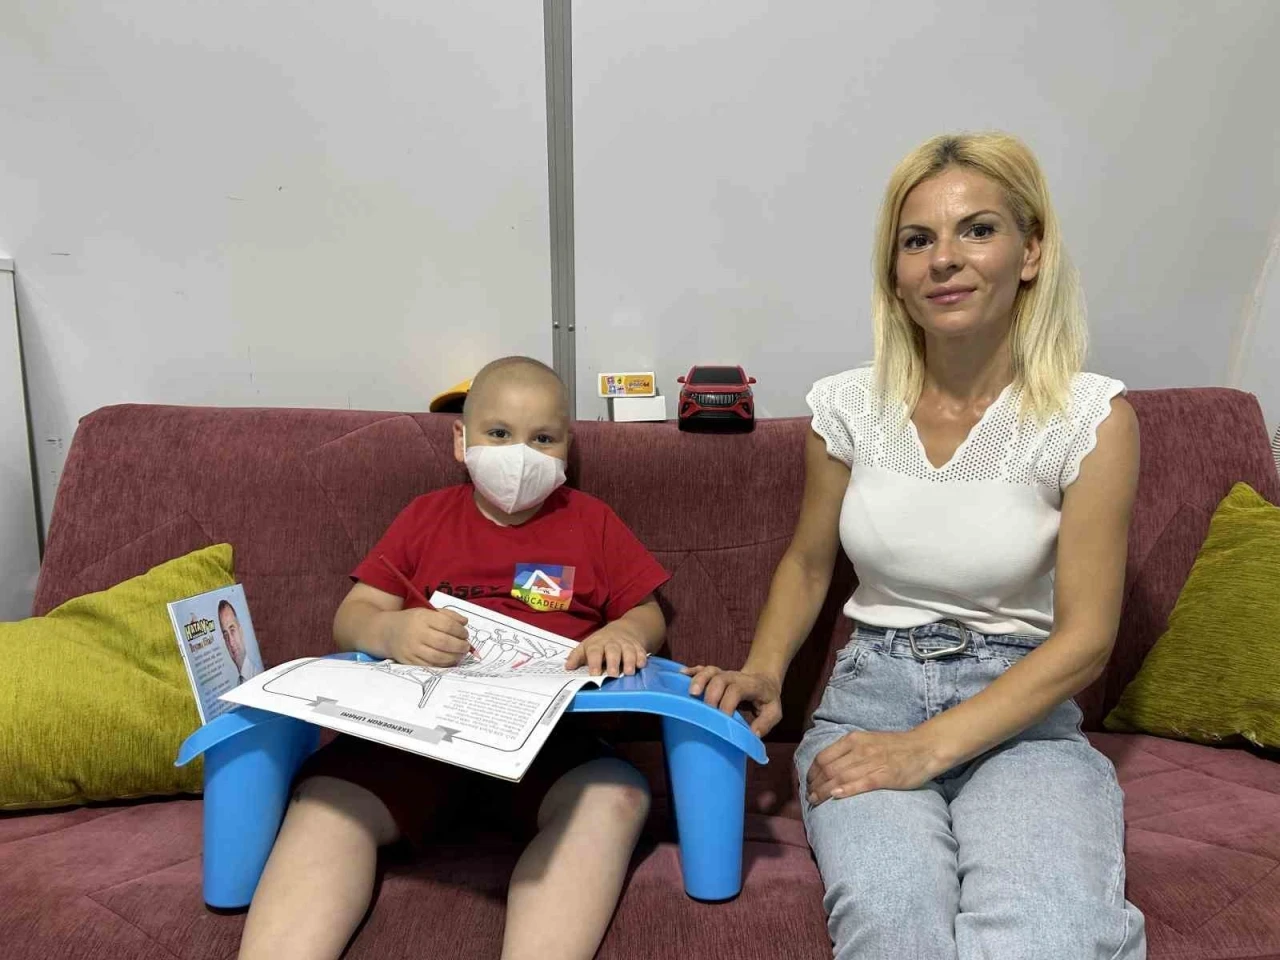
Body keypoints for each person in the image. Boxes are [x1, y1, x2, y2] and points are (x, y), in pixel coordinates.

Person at [686, 132, 1147, 959]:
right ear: (895, 273)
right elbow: (808, 563)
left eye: (978, 230)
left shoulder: (1091, 419)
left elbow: (1087, 639)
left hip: (1022, 718)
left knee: (1050, 936)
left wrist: (923, 751)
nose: (944, 259)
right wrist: (763, 670)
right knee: (894, 926)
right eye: (917, 240)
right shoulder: (849, 407)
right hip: (871, 699)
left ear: (1031, 252)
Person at [239, 356, 669, 960]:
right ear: (461, 441)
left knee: (614, 798)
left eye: (543, 439)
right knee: (328, 803)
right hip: (412, 737)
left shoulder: (592, 522)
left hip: (551, 744)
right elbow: (352, 615)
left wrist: (623, 633)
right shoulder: (425, 516)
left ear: (567, 450)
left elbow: (649, 615)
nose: (521, 455)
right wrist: (390, 631)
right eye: (500, 433)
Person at [219, 599, 263, 683]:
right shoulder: (238, 684)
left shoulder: (258, 676)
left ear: (241, 631)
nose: (231, 642)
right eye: (225, 635)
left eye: (232, 630)